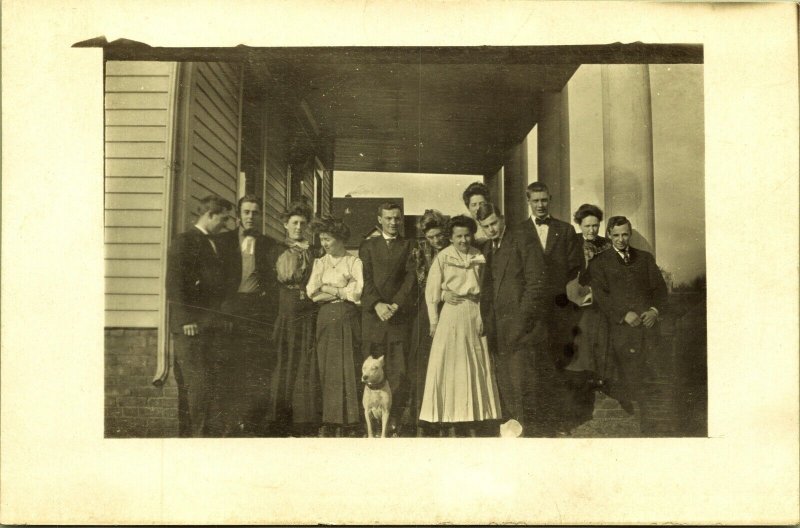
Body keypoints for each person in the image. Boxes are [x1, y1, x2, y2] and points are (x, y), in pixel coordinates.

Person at [419, 215, 501, 437]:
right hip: (452, 316)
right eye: (458, 236)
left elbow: (487, 288)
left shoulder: (479, 256)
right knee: (452, 366)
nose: (463, 240)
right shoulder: (443, 257)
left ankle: (475, 416)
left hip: (475, 312)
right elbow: (431, 293)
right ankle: (451, 418)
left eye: (467, 235)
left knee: (476, 364)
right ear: (451, 237)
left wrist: (484, 314)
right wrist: (434, 321)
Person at [588, 216, 668, 435]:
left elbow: (660, 291)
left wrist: (654, 311)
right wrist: (623, 314)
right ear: (609, 236)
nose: (621, 239)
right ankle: (632, 429)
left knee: (650, 383)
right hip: (618, 334)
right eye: (616, 235)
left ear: (630, 234)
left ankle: (649, 429)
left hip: (647, 333)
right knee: (626, 387)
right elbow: (601, 297)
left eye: (625, 234)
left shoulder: (644, 259)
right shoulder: (600, 262)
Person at [165, 195, 235, 437]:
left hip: (208, 325)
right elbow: (175, 284)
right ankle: (194, 438)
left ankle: (201, 436)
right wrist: (186, 320)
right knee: (196, 385)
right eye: (223, 219)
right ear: (210, 215)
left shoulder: (213, 242)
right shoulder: (185, 241)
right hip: (190, 328)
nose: (226, 224)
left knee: (206, 385)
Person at [476, 203, 548, 435]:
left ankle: (529, 435)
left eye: (494, 223)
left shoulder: (523, 241)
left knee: (522, 385)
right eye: (486, 226)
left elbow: (536, 285)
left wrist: (521, 322)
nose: (491, 229)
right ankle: (512, 433)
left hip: (521, 329)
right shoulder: (486, 248)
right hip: (497, 329)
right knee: (505, 386)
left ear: (503, 218)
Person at [519, 181, 582, 436]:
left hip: (557, 309)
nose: (541, 205)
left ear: (550, 200)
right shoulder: (519, 232)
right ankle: (534, 423)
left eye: (544, 200)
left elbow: (574, 264)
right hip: (531, 311)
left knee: (558, 365)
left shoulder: (565, 230)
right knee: (533, 365)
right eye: (536, 201)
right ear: (529, 202)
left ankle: (558, 422)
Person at [215, 195, 279, 437]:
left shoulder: (269, 244)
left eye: (255, 212)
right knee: (231, 367)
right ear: (239, 216)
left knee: (257, 367)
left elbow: (273, 283)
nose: (251, 216)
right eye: (246, 212)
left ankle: (254, 424)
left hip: (258, 311)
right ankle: (231, 424)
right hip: (230, 311)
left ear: (260, 215)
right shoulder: (223, 242)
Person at [359, 202, 417, 435]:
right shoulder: (368, 246)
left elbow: (411, 278)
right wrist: (377, 304)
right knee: (371, 370)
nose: (394, 222)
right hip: (374, 318)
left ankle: (394, 420)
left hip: (398, 317)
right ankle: (371, 424)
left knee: (398, 371)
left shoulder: (408, 245)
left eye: (397, 218)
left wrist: (395, 304)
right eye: (389, 218)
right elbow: (365, 279)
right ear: (380, 219)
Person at [562, 204, 621, 429]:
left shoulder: (606, 246)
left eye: (595, 225)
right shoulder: (572, 243)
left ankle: (600, 403)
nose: (591, 230)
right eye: (587, 225)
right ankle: (577, 412)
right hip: (577, 308)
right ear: (579, 224)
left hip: (601, 307)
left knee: (600, 352)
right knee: (579, 357)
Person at [306, 217, 364, 438]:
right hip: (325, 317)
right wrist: (341, 288)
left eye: (328, 239)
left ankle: (350, 420)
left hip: (347, 316)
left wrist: (329, 288)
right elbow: (312, 291)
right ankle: (330, 419)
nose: (325, 244)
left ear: (340, 239)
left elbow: (357, 293)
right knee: (327, 367)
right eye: (322, 239)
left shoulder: (353, 262)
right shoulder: (319, 263)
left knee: (348, 365)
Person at [268, 200, 321, 436]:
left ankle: (305, 420)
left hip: (309, 311)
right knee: (285, 363)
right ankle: (280, 420)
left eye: (302, 223)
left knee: (305, 364)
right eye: (294, 223)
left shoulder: (315, 252)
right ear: (285, 225)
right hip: (286, 310)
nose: (298, 227)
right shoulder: (276, 249)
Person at [409, 209, 450, 436]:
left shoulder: (453, 250)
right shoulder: (419, 253)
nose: (436, 240)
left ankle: (447, 418)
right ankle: (424, 419)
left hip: (449, 308)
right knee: (424, 362)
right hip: (426, 311)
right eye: (431, 237)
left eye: (439, 235)